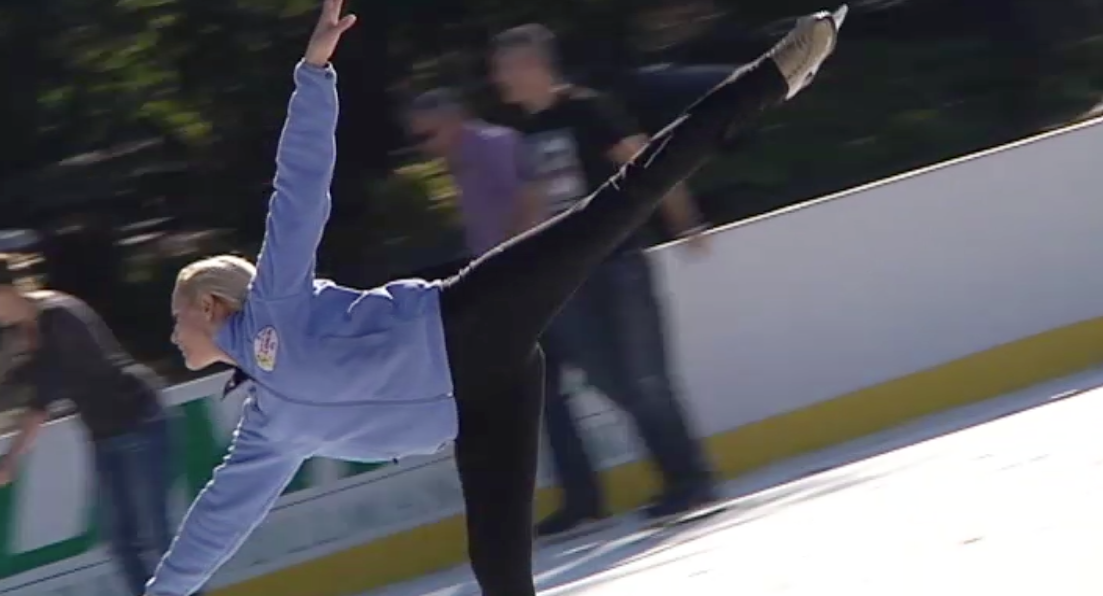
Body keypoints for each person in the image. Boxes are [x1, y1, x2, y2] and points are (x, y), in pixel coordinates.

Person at [149, 1, 847, 595]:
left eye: (176, 315)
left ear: (210, 304)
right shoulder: (266, 432)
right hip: (484, 404)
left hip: (466, 322)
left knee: (622, 197)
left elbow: (299, 188)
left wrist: (313, 74)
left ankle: (772, 75)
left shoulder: (275, 306)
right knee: (499, 578)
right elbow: (217, 521)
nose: (172, 335)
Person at [489, 22, 718, 536]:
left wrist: (685, 221)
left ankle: (690, 479)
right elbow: (532, 207)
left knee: (645, 376)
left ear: (534, 66)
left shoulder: (588, 110)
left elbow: (649, 163)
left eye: (506, 66)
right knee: (605, 376)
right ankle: (667, 476)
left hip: (618, 265)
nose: (498, 77)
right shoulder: (525, 133)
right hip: (570, 277)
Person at [0, 259, 175, 596]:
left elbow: (42, 399)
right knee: (122, 541)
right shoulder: (31, 325)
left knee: (155, 536)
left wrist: (11, 459)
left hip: (139, 423)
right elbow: (19, 380)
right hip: (107, 434)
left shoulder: (58, 319)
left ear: (5, 291)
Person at [406, 88, 542, 257]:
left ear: (453, 122)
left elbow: (527, 204)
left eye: (427, 136)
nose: (422, 146)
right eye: (416, 139)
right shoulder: (456, 156)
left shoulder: (494, 145)